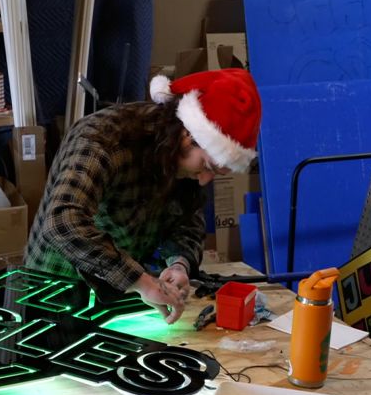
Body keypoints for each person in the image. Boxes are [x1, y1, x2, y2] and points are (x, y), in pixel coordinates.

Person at [24, 69, 262, 324]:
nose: (204, 179)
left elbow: (187, 219)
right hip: (53, 291)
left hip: (118, 296)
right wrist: (141, 281)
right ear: (186, 134)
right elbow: (62, 222)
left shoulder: (181, 157)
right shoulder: (102, 139)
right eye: (207, 167)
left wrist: (179, 264)